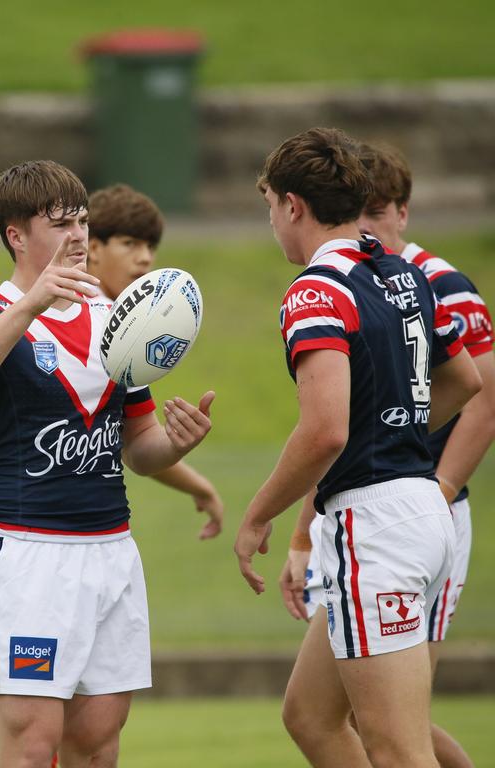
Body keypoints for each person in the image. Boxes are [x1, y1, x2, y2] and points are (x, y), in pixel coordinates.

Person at [0, 160, 214, 768]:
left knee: (98, 746)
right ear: (15, 235)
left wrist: (176, 443)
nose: (80, 236)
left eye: (83, 220)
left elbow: (140, 445)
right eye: (61, 223)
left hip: (112, 550)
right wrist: (30, 305)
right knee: (34, 747)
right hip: (29, 555)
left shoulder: (118, 320)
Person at [233, 128, 481, 768]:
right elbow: (463, 380)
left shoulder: (316, 291)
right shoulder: (401, 273)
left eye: (268, 208)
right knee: (311, 716)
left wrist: (259, 514)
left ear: (292, 205)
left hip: (375, 527)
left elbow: (325, 432)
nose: (271, 224)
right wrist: (396, 427)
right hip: (423, 512)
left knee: (397, 747)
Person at [0, 183, 223, 539]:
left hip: (111, 541)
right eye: (130, 244)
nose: (146, 258)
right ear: (97, 251)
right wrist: (2, 519)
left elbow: (133, 440)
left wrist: (177, 444)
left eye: (150, 247)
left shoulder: (119, 326)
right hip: (28, 543)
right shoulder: (3, 314)